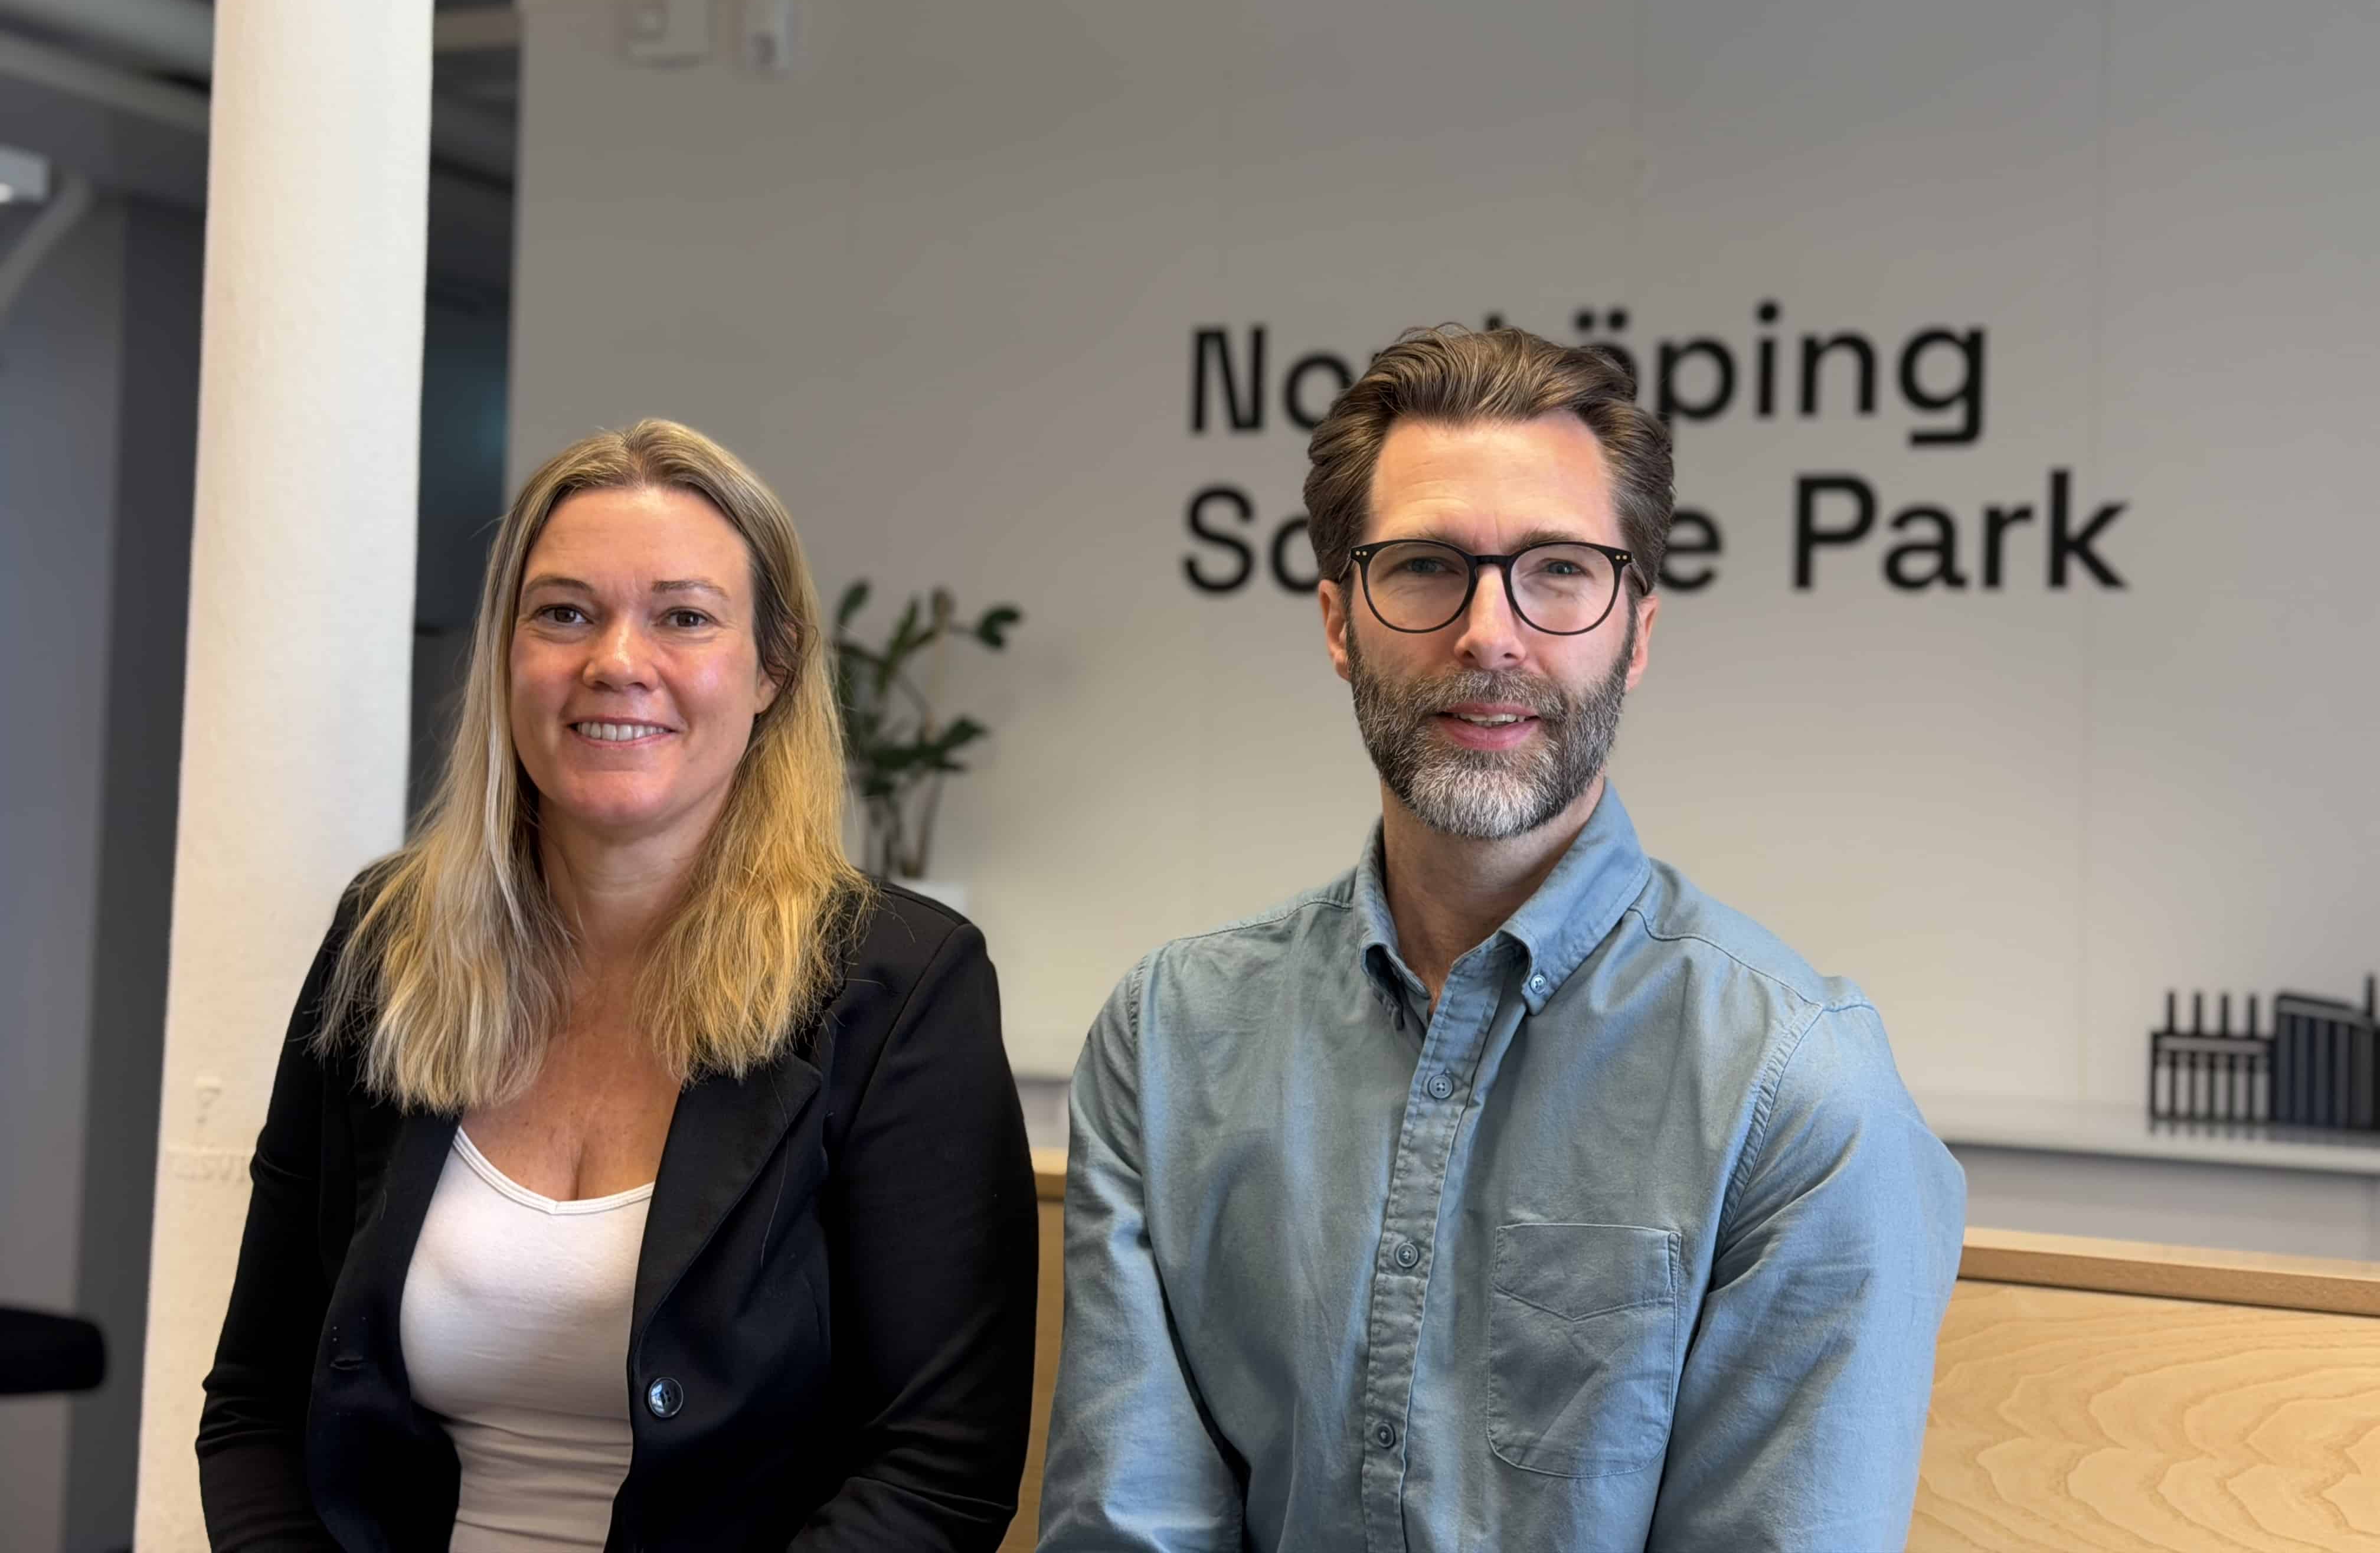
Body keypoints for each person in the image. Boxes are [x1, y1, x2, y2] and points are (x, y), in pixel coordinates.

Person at [1039, 327, 1965, 1553]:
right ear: (1338, 623)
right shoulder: (1170, 1039)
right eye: (1426, 567)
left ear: (1636, 631)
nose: (1489, 633)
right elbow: (1129, 1527)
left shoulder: (1797, 1088)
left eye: (1559, 570)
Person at [198, 420, 1038, 1552]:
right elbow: (256, 1404)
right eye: (564, 613)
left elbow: (937, 1475)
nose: (616, 661)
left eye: (684, 617)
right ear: (507, 653)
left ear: (772, 668)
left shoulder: (899, 986)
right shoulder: (386, 944)